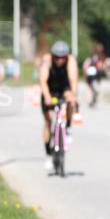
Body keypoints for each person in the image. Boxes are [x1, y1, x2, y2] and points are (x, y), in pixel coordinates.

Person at [39, 41, 79, 171]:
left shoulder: (71, 61)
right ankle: (48, 155)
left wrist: (73, 96)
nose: (60, 60)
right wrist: (47, 97)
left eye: (63, 57)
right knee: (48, 121)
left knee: (71, 102)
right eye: (57, 57)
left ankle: (67, 127)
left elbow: (73, 80)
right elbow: (43, 82)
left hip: (63, 88)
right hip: (49, 90)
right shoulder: (47, 61)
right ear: (53, 55)